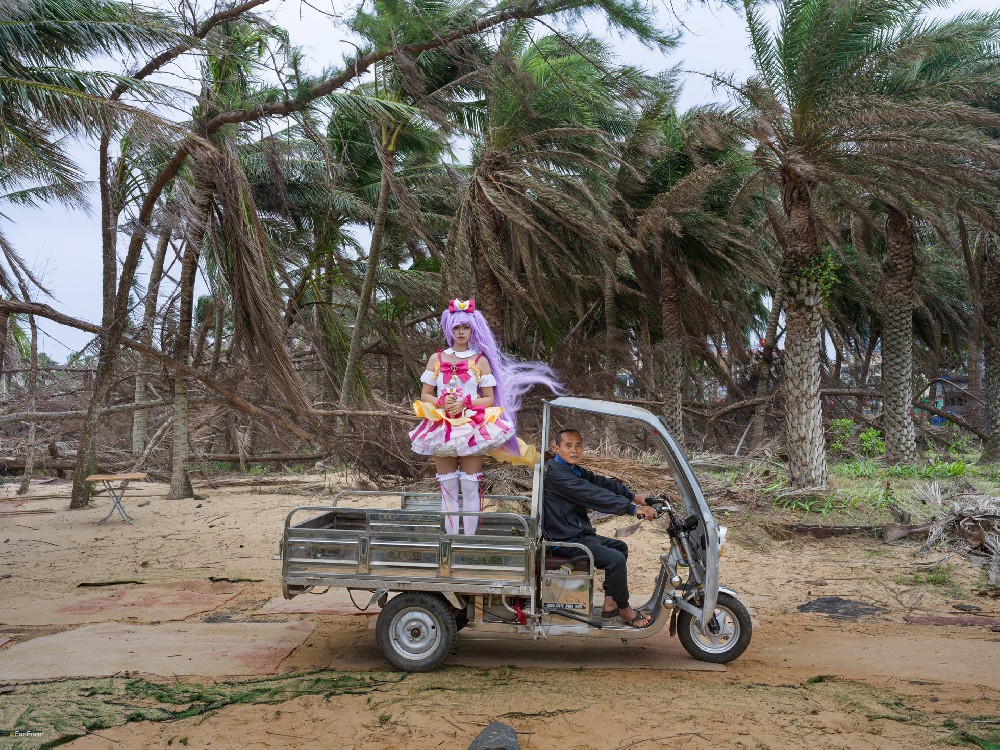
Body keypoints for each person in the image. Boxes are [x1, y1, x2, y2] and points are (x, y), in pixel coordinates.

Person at [410, 299, 561, 535]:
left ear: (473, 329)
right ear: (449, 328)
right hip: (442, 426)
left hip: (471, 427)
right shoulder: (435, 359)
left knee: (470, 488)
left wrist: (465, 402)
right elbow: (425, 394)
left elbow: (489, 399)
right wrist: (441, 401)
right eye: (457, 327)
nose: (461, 332)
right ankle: (451, 541)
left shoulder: (480, 360)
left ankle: (468, 541)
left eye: (465, 327)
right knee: (448, 488)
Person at [542, 428, 658, 628]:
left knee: (620, 547)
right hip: (565, 540)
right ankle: (625, 610)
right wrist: (632, 509)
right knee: (615, 559)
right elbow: (593, 494)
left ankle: (610, 603)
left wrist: (632, 496)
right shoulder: (558, 475)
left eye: (578, 445)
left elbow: (599, 483)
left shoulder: (573, 470)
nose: (574, 450)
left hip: (576, 533)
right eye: (568, 445)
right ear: (556, 448)